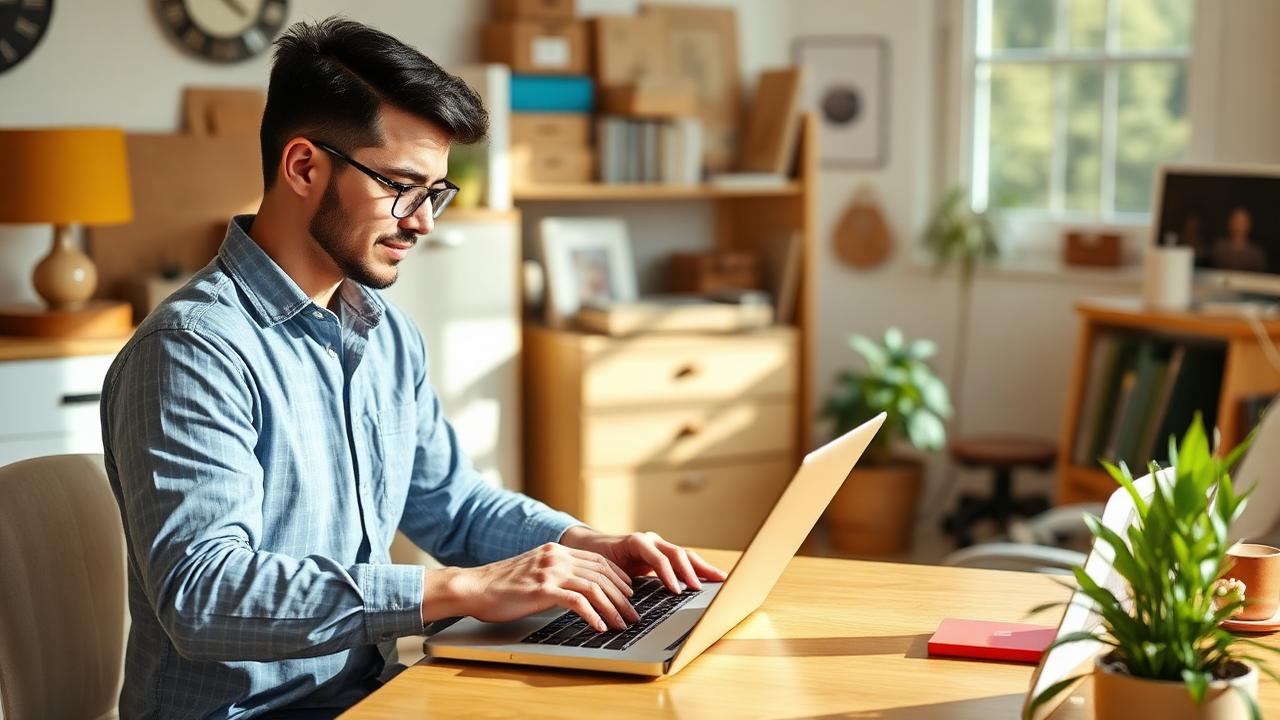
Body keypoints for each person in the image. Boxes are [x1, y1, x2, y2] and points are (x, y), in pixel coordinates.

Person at [101, 17, 725, 719]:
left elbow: (451, 504)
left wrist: (584, 544)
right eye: (401, 185)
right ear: (304, 167)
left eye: (435, 192)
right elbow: (203, 596)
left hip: (374, 696)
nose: (424, 221)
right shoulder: (191, 349)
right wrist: (458, 590)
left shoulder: (384, 333)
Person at [1210, 206, 1268, 273]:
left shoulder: (1256, 253)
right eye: (1236, 220)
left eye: (1242, 221)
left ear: (1249, 224)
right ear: (1229, 223)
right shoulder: (1219, 247)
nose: (1239, 224)